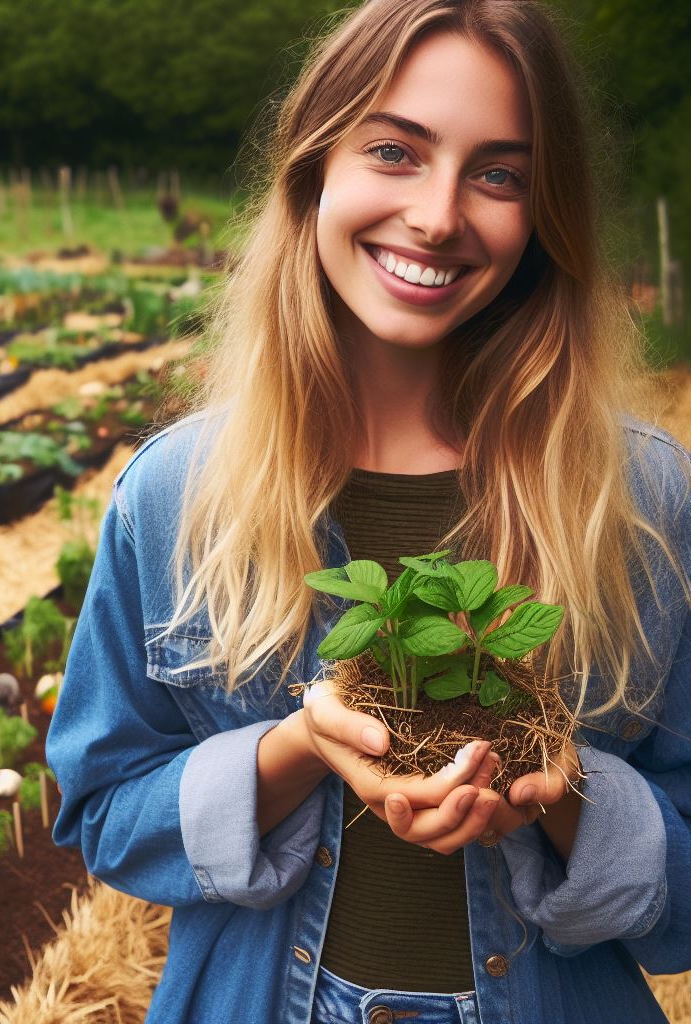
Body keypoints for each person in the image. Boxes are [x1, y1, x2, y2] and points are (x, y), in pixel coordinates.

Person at [47, 1, 691, 1021]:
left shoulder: (644, 498)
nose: (439, 214)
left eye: (499, 174)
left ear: (541, 218)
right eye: (394, 149)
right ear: (313, 172)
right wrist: (299, 747)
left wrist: (558, 791)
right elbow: (101, 812)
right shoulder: (175, 495)